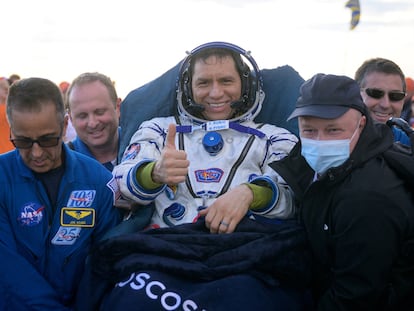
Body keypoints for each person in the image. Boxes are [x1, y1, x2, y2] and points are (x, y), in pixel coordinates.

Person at [113, 41, 299, 233]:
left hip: (246, 247)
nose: (216, 93)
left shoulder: (274, 139)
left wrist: (251, 194)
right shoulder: (159, 130)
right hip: (168, 245)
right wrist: (153, 173)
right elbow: (118, 182)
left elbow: (294, 199)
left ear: (245, 85)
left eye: (226, 81)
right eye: (203, 83)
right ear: (188, 88)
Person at [270, 73, 414, 310]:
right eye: (309, 131)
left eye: (333, 130)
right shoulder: (323, 165)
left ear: (361, 124)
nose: (320, 141)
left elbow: (355, 296)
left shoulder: (368, 197)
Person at [0, 77, 122, 310]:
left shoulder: (99, 182)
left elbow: (105, 263)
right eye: (23, 142)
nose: (36, 153)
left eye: (47, 140)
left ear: (65, 126)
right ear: (11, 130)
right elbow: (8, 269)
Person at [66, 72, 121, 171]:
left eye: (99, 112)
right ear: (71, 118)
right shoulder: (63, 164)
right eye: (82, 116)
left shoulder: (145, 145)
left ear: (117, 107)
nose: (92, 123)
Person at [354, 57, 411, 145]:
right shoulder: (336, 138)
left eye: (395, 96)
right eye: (375, 93)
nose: (385, 104)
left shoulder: (407, 142)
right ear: (355, 93)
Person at [0, 77, 14, 153]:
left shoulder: (16, 108)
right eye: (1, 86)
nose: (6, 88)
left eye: (8, 85)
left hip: (14, 155)